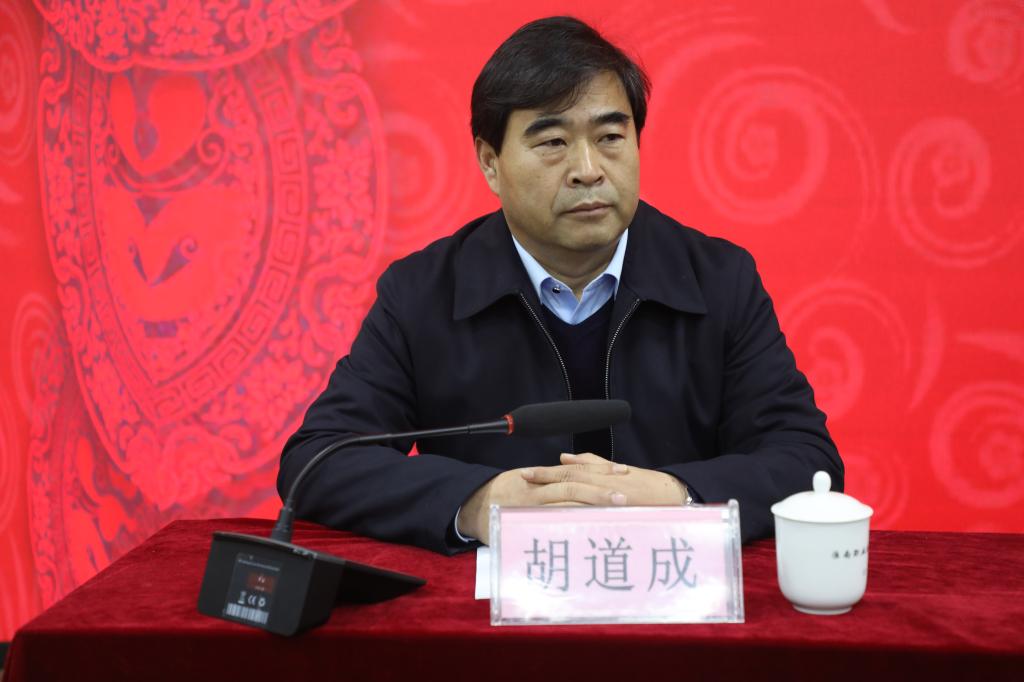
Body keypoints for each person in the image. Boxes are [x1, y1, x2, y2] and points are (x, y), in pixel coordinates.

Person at [278, 16, 842, 554]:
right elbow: (318, 460)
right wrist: (479, 503)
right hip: (495, 608)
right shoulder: (422, 293)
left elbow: (807, 460)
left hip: (673, 593)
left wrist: (677, 496)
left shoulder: (718, 279)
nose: (588, 169)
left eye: (611, 136)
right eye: (552, 142)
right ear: (490, 162)